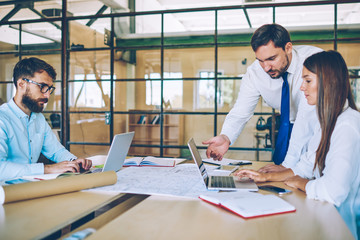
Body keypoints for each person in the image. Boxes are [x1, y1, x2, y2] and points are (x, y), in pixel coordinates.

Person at [236, 51, 360, 239]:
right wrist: (267, 177)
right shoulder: (329, 121)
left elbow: (333, 191)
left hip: (340, 227)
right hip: (323, 218)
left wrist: (302, 183)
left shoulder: (347, 125)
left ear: (329, 82)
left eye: (308, 81)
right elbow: (306, 165)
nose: (302, 88)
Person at [203, 23, 322, 171]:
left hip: (318, 127)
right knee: (281, 179)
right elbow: (241, 111)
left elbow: (306, 120)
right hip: (285, 128)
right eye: (260, 60)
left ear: (288, 48)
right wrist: (226, 136)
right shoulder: (255, 73)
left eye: (272, 58)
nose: (266, 67)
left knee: (311, 173)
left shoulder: (314, 61)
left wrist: (287, 167)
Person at [0, 57, 92, 181]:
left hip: (32, 187)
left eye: (49, 89)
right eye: (42, 86)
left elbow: (55, 151)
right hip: (7, 193)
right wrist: (47, 169)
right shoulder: (2, 119)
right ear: (21, 84)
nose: (47, 95)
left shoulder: (39, 119)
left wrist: (74, 161)